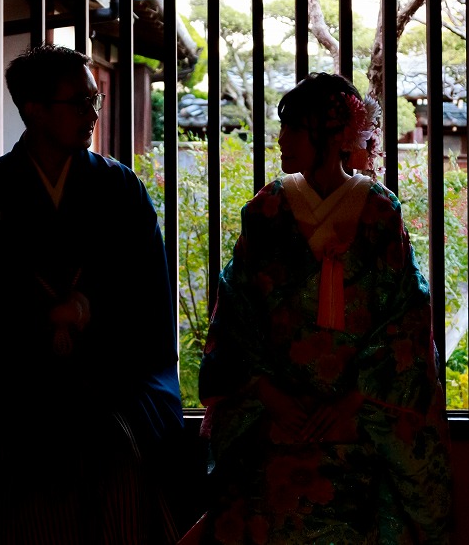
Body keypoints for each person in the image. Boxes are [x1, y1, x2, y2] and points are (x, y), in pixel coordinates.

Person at [0, 43, 184, 544]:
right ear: (34, 109)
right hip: (15, 388)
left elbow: (150, 300)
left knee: (122, 470)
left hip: (109, 385)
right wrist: (39, 321)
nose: (93, 113)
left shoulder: (120, 189)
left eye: (95, 100)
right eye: (80, 102)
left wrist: (89, 310)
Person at [193, 72, 455, 544]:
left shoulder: (379, 211)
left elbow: (406, 317)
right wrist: (270, 395)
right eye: (283, 127)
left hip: (359, 415)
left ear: (335, 136)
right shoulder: (266, 210)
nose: (282, 139)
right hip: (276, 413)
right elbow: (236, 313)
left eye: (295, 128)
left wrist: (354, 402)